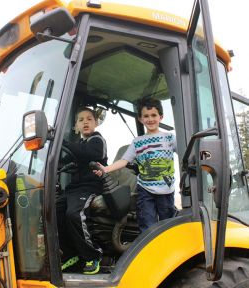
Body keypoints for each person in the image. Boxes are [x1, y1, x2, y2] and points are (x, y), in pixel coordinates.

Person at [95, 98, 176, 232]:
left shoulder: (169, 138)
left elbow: (186, 152)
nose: (150, 119)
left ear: (161, 117)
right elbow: (124, 161)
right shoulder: (138, 142)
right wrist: (106, 168)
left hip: (166, 189)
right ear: (140, 119)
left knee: (166, 225)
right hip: (145, 190)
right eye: (146, 116)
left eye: (154, 115)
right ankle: (150, 250)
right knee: (146, 224)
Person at [57, 107, 107, 274]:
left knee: (74, 214)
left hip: (90, 187)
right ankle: (72, 254)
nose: (85, 122)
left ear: (96, 123)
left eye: (89, 119)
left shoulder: (97, 140)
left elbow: (87, 154)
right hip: (74, 189)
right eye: (81, 120)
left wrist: (60, 140)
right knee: (53, 212)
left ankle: (92, 255)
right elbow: (65, 161)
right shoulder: (77, 144)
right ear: (76, 126)